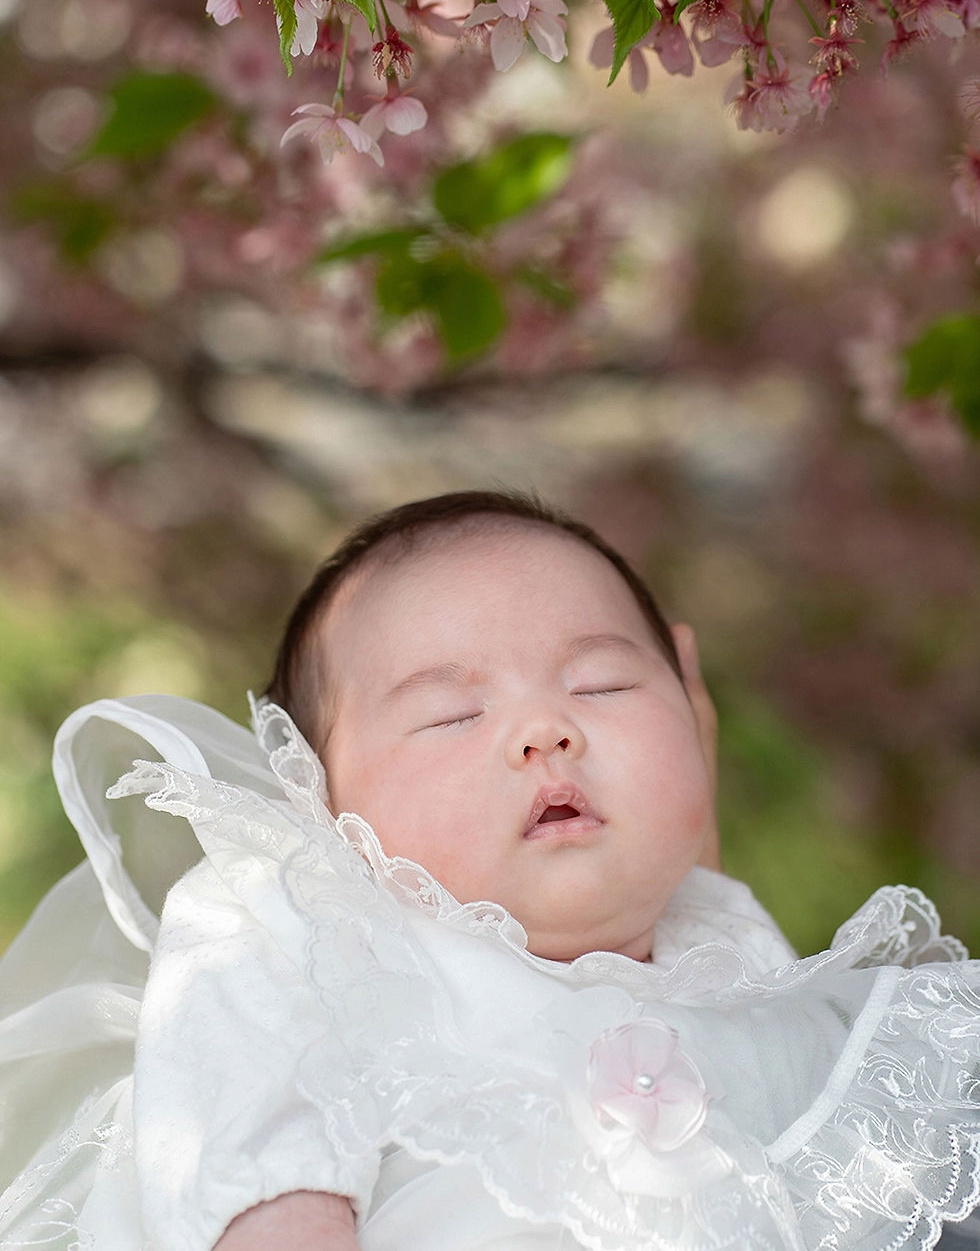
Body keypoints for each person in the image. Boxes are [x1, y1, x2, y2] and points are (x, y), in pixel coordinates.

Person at [0, 489, 977, 1251]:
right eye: (450, 715)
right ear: (320, 801)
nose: (544, 729)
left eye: (601, 683)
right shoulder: (304, 928)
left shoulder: (742, 963)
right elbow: (254, 1182)